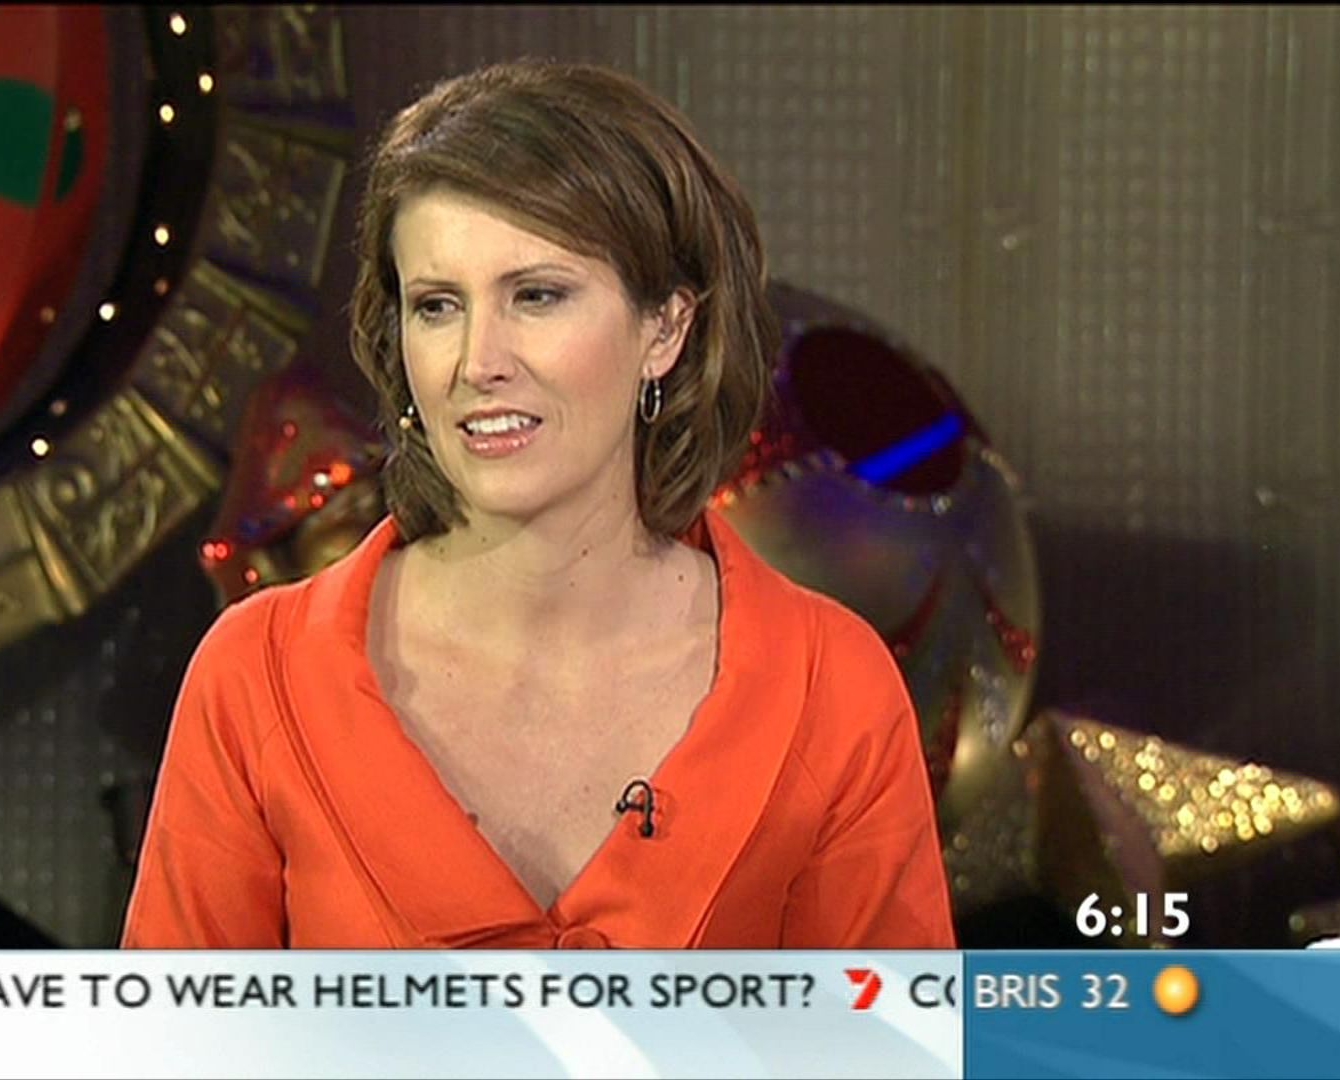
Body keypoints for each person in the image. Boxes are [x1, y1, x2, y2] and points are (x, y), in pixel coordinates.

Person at [121, 59, 955, 948]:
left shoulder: (831, 687)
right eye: (437, 306)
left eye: (537, 296)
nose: (478, 362)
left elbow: (882, 1025)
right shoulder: (258, 678)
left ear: (665, 328)